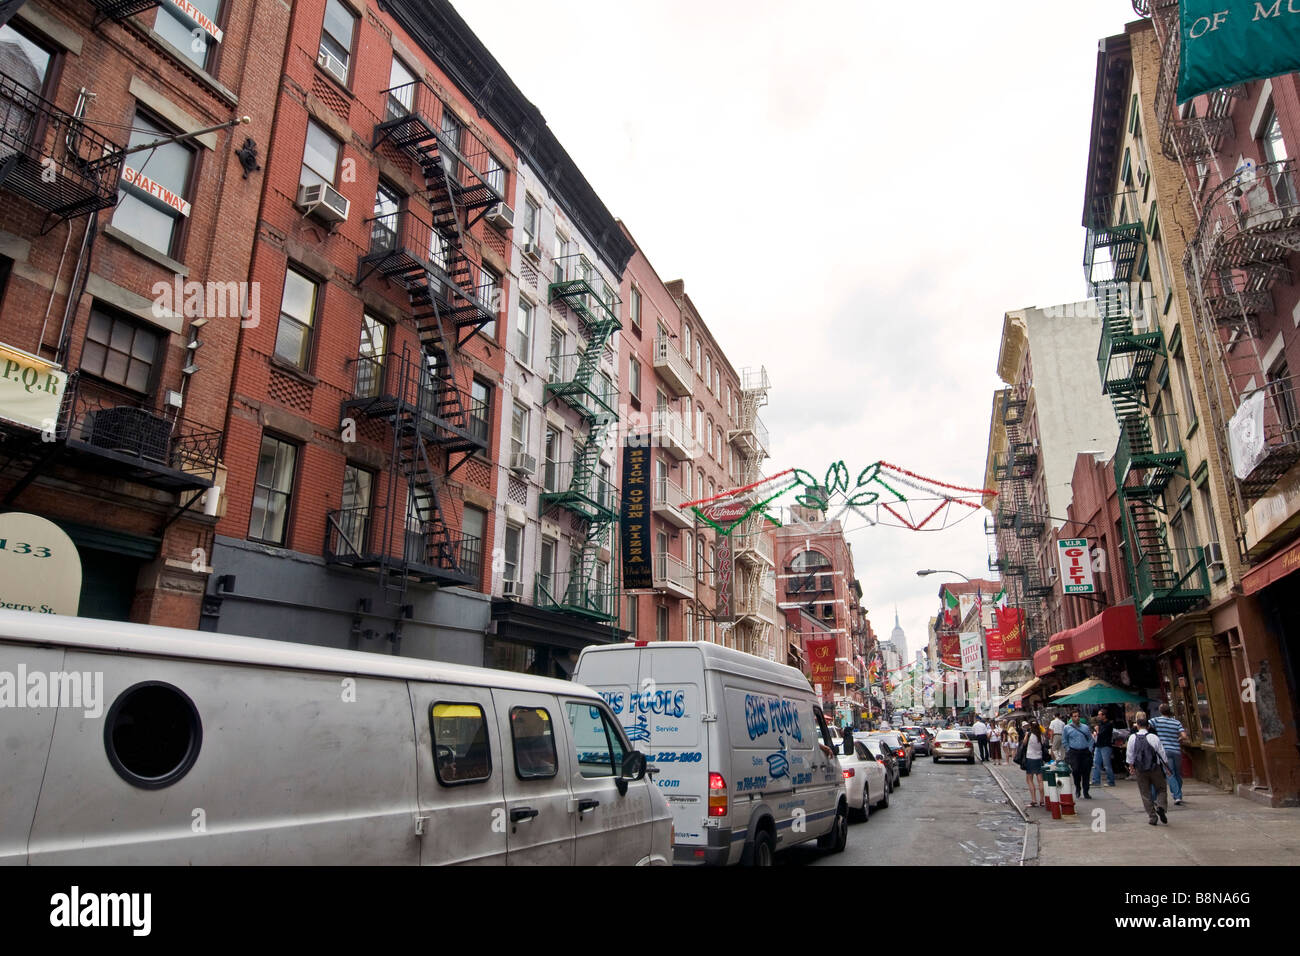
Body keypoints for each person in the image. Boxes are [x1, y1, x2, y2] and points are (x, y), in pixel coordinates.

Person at [1126, 717, 1171, 826]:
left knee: (1145, 793)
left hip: (1140, 770)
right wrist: (1166, 767)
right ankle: (1161, 806)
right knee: (1161, 789)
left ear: (1137, 725)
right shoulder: (1153, 737)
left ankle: (1152, 817)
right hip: (1155, 768)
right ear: (1148, 726)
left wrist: (1131, 766)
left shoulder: (1132, 738)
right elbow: (1162, 753)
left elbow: (1130, 754)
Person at [1149, 703, 1190, 805]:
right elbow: (1184, 736)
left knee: (1169, 774)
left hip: (1165, 751)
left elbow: (1145, 724)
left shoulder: (1157, 720)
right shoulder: (1176, 722)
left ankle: (1177, 796)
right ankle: (1178, 792)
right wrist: (1178, 739)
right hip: (1176, 750)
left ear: (1160, 711)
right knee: (1177, 774)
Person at [1062, 711, 1095, 799]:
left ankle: (1086, 791)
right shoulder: (1067, 728)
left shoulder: (1085, 727)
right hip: (1074, 752)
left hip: (1085, 752)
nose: (1077, 718)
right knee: (1076, 771)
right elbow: (1064, 740)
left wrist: (1090, 749)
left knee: (1086, 772)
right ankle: (1077, 788)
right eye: (1075, 716)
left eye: (1078, 716)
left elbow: (1090, 739)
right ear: (1071, 718)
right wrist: (1068, 750)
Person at [1018, 720, 1046, 807]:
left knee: (1029, 779)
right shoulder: (1041, 735)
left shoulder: (1029, 734)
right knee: (1040, 780)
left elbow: (1024, 743)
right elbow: (1044, 744)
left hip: (1030, 758)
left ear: (1030, 726)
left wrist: (1026, 734)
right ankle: (1042, 800)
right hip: (1039, 758)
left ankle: (1034, 800)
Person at [1091, 710, 1117, 788]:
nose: (1098, 716)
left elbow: (1103, 734)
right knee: (1096, 763)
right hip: (1098, 745)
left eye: (1100, 715)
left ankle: (1111, 781)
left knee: (1107, 764)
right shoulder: (1100, 724)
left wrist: (1097, 731)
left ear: (1104, 715)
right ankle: (1096, 780)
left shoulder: (1109, 724)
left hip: (1105, 746)